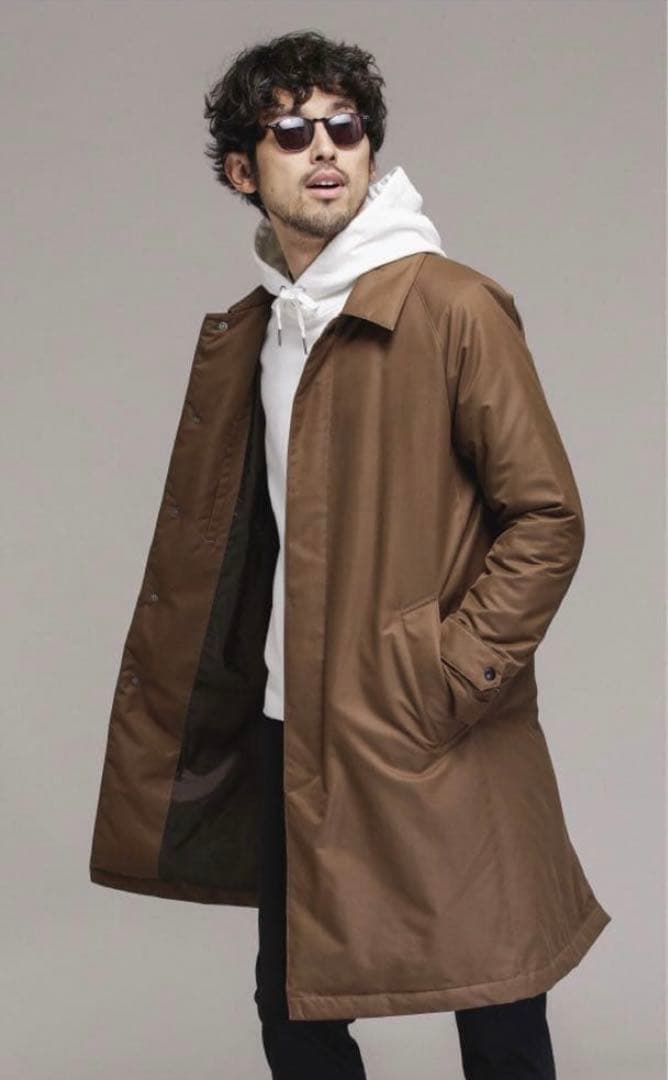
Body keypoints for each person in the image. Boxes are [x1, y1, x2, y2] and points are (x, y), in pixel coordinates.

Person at [89, 27, 611, 1080]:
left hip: (432, 720)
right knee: (296, 1008)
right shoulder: (265, 329)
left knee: (497, 999)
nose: (325, 147)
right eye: (291, 132)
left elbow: (546, 516)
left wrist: (446, 673)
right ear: (243, 172)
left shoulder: (453, 307)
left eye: (345, 126)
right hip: (298, 726)